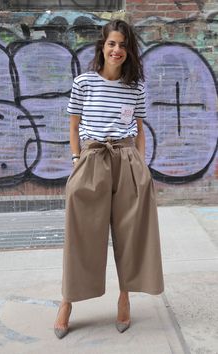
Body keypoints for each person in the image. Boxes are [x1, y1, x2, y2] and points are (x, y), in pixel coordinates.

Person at [54, 19, 164, 339]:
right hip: (92, 158)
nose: (118, 50)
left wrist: (141, 166)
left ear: (130, 51)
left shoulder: (136, 87)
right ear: (102, 47)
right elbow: (73, 126)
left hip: (127, 159)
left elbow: (140, 130)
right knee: (81, 234)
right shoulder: (84, 82)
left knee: (130, 235)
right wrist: (76, 161)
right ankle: (67, 301)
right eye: (112, 43)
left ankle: (125, 297)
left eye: (124, 45)